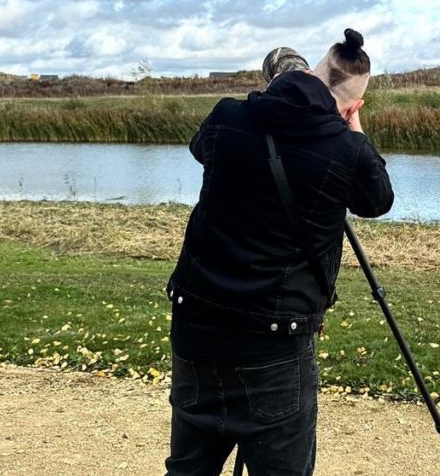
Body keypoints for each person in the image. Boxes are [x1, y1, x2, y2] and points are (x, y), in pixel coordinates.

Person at [165, 29, 394, 475]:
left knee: (189, 470)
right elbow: (377, 200)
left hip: (197, 329)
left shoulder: (229, 116)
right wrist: (353, 126)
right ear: (352, 105)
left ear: (311, 71)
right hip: (274, 345)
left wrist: (274, 98)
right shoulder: (347, 149)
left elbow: (201, 149)